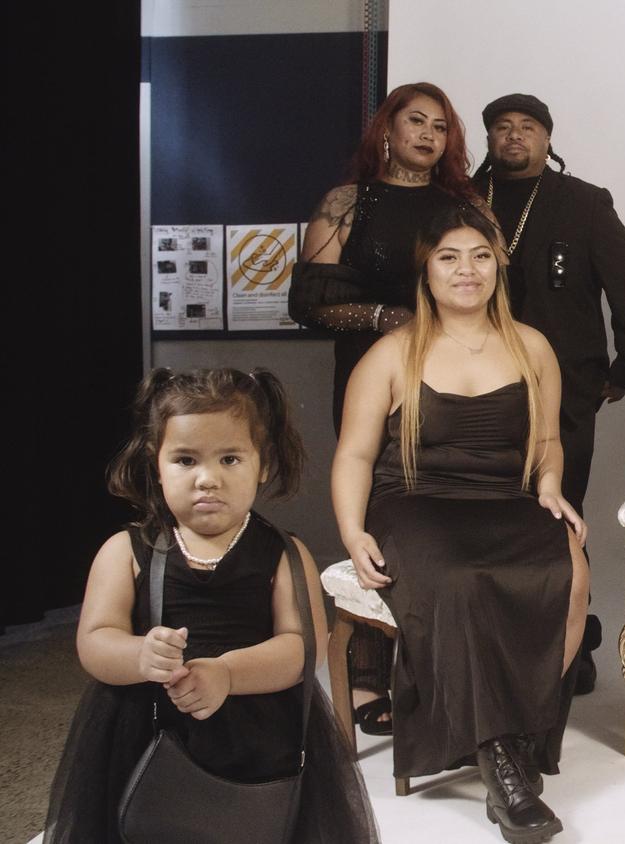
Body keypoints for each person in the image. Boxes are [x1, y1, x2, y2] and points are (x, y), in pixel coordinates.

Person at [331, 204, 588, 842]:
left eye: (479, 255)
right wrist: (352, 531)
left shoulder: (533, 346)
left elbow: (550, 440)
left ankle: (515, 730)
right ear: (426, 271)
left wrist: (551, 487)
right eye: (449, 257)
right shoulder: (392, 353)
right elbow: (355, 456)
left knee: (571, 575)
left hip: (507, 497)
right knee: (459, 578)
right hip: (415, 502)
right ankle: (503, 760)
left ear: (498, 265)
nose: (466, 270)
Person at [44, 368, 378, 842]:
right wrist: (139, 655)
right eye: (184, 460)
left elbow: (304, 649)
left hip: (259, 729)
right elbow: (95, 641)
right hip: (147, 726)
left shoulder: (284, 553)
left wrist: (227, 673)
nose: (207, 479)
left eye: (229, 459)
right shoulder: (126, 551)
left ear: (262, 465)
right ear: (155, 465)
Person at [289, 81, 486, 735]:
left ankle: (438, 666)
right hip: (372, 371)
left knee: (442, 502)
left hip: (450, 372)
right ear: (387, 131)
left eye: (440, 126)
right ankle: (375, 673)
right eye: (415, 121)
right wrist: (385, 316)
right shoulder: (348, 202)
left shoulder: (463, 204)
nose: (428, 135)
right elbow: (307, 300)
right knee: (378, 504)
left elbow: (484, 283)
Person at [472, 93, 625, 693]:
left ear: (548, 139)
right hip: (477, 387)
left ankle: (569, 645)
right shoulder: (465, 200)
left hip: (566, 386)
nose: (515, 137)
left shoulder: (583, 202)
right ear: (489, 138)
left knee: (558, 516)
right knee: (491, 520)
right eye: (503, 128)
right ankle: (501, 648)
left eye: (527, 127)